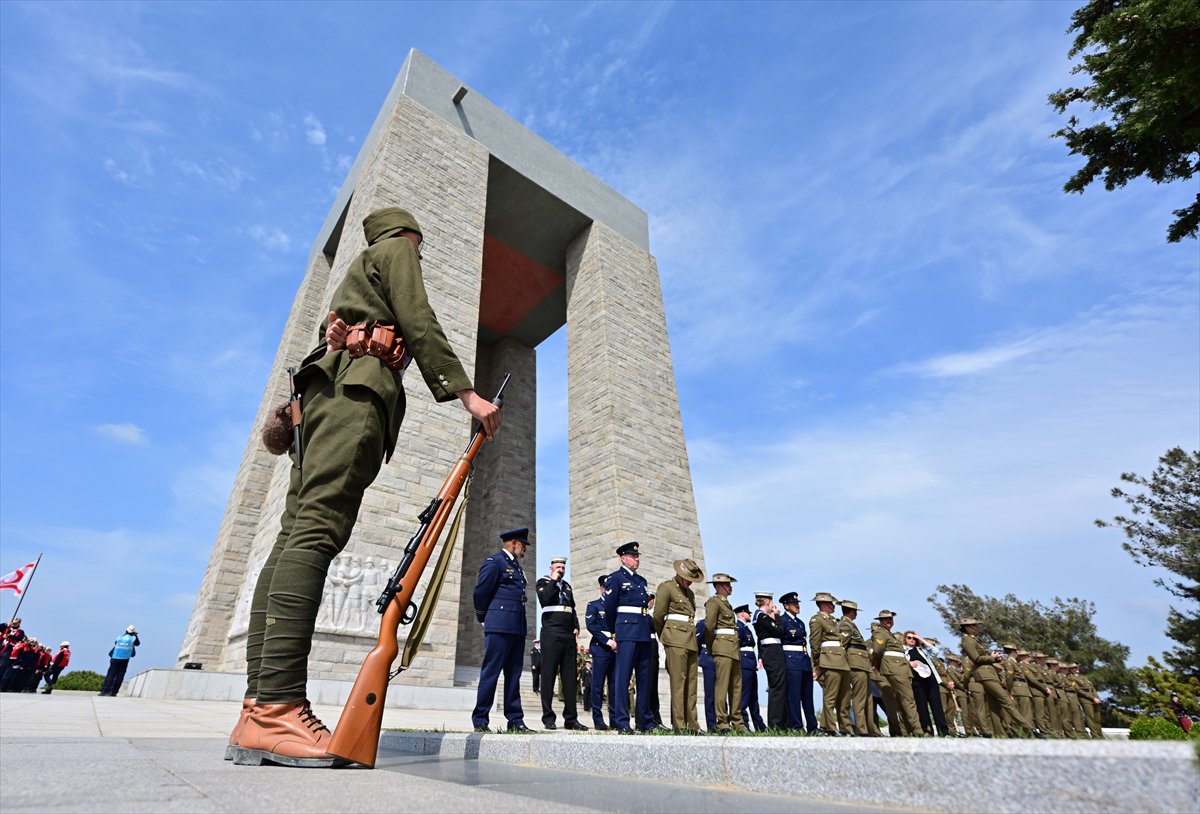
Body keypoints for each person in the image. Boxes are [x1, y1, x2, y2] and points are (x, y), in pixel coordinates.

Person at [233, 207, 502, 767]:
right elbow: (418, 316)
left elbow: (327, 345)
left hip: (322, 401)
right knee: (316, 532)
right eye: (419, 249)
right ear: (407, 237)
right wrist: (466, 394)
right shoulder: (394, 251)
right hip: (356, 395)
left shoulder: (358, 272)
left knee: (291, 538)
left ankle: (258, 707)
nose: (419, 259)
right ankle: (277, 707)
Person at [471, 528, 532, 733]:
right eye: (523, 545)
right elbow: (481, 591)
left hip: (516, 626)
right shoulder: (495, 562)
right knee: (491, 672)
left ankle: (515, 719)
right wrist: (484, 617)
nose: (524, 550)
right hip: (498, 624)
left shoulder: (516, 566)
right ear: (514, 543)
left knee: (514, 675)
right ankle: (480, 719)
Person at [603, 541, 655, 733]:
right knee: (622, 678)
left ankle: (644, 720)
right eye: (633, 556)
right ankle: (622, 721)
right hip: (626, 632)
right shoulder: (615, 579)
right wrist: (613, 632)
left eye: (637, 556)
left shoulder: (641, 581)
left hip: (642, 632)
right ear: (623, 558)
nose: (636, 559)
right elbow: (609, 608)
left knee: (644, 678)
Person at [535, 556, 586, 731]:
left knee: (570, 678)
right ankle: (548, 718)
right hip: (551, 633)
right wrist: (554, 580)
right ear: (551, 568)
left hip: (567, 635)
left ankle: (571, 719)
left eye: (563, 568)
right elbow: (545, 599)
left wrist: (576, 626)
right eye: (557, 567)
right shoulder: (543, 582)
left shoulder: (567, 586)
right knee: (548, 675)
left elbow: (571, 607)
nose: (561, 570)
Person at [653, 558, 704, 733]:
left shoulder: (690, 594)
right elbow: (658, 616)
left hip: (690, 641)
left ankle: (693, 724)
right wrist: (666, 637)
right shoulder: (666, 588)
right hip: (675, 640)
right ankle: (680, 725)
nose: (690, 582)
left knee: (691, 686)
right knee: (678, 683)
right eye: (688, 578)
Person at [958, 617, 1031, 738]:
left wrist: (993, 657)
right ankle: (1029, 729)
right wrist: (993, 658)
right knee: (1006, 701)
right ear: (966, 627)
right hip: (984, 674)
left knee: (995, 707)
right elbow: (976, 659)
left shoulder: (974, 640)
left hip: (989, 673)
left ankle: (1001, 734)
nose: (977, 628)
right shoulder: (967, 640)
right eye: (974, 626)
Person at [703, 573, 745, 734]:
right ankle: (722, 722)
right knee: (722, 686)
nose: (730, 587)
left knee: (736, 686)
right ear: (719, 586)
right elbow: (709, 626)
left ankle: (738, 721)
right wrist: (712, 646)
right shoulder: (714, 602)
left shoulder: (726, 604)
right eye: (728, 585)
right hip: (722, 647)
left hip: (733, 648)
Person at [868, 610, 922, 736]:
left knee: (901, 702)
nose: (889, 621)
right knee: (907, 700)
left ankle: (904, 731)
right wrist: (876, 665)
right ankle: (917, 731)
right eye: (886, 619)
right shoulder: (881, 632)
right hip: (894, 668)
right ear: (880, 621)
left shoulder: (888, 633)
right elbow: (877, 651)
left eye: (891, 619)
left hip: (896, 668)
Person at [809, 591, 849, 735]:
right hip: (830, 661)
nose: (833, 606)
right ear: (824, 604)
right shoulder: (817, 620)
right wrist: (817, 665)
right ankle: (829, 728)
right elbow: (815, 643)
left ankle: (846, 728)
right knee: (830, 697)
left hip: (842, 661)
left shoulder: (833, 621)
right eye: (831, 603)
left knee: (845, 697)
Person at [778, 592, 817, 733]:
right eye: (794, 604)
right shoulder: (781, 620)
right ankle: (797, 726)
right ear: (786, 606)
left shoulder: (800, 622)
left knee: (808, 696)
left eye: (798, 603)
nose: (797, 606)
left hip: (804, 660)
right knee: (793, 696)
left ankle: (812, 727)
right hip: (791, 660)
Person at [837, 600, 873, 736]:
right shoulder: (845, 625)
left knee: (866, 699)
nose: (856, 614)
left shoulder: (850, 625)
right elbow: (841, 646)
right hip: (855, 665)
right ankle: (861, 728)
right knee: (859, 698)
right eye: (855, 611)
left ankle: (870, 728)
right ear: (852, 611)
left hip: (862, 665)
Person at [585, 575, 615, 730]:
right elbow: (592, 626)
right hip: (601, 648)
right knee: (598, 685)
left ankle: (615, 719)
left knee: (615, 685)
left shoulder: (616, 606)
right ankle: (598, 719)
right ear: (601, 588)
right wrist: (607, 641)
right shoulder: (594, 605)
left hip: (616, 648)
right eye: (606, 587)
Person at [906, 631, 950, 737]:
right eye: (909, 637)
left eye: (914, 638)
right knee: (922, 708)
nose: (912, 639)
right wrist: (908, 663)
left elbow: (935, 651)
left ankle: (944, 732)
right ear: (905, 639)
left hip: (931, 681)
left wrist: (920, 638)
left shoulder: (922, 650)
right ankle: (928, 731)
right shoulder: (904, 652)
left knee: (937, 707)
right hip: (917, 682)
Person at [753, 596, 787, 730]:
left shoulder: (762, 617)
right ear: (767, 602)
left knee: (779, 687)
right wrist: (777, 616)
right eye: (772, 602)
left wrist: (760, 655)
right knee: (777, 688)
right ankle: (775, 724)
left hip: (772, 652)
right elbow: (779, 631)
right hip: (773, 654)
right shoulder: (762, 616)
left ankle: (780, 722)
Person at [735, 604, 767, 731]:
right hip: (744, 664)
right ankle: (743, 723)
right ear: (743, 614)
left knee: (754, 697)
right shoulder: (739, 627)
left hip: (750, 664)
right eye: (748, 613)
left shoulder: (745, 628)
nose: (750, 614)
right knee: (745, 695)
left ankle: (759, 725)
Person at [100, 626, 139, 697]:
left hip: (115, 658)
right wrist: (135, 635)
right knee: (120, 676)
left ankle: (104, 691)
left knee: (110, 675)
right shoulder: (133, 638)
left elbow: (116, 643)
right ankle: (113, 692)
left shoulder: (120, 637)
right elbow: (137, 644)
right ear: (133, 632)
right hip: (124, 660)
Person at [695, 618, 717, 731]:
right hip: (708, 658)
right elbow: (697, 641)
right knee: (710, 695)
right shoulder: (703, 624)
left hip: (720, 658)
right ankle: (712, 725)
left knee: (721, 694)